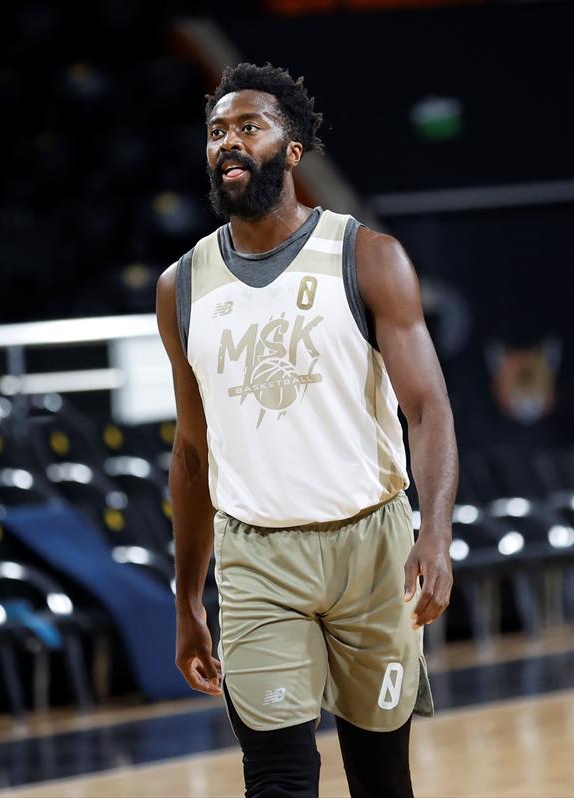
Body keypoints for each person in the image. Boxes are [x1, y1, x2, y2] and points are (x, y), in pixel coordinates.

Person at [156, 63, 458, 798]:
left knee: (381, 779)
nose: (228, 142)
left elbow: (428, 410)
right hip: (257, 557)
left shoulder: (368, 257)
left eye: (249, 127)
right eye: (216, 131)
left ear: (291, 151)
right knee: (278, 779)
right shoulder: (181, 287)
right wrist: (187, 599)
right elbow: (191, 454)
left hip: (374, 547)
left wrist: (435, 532)